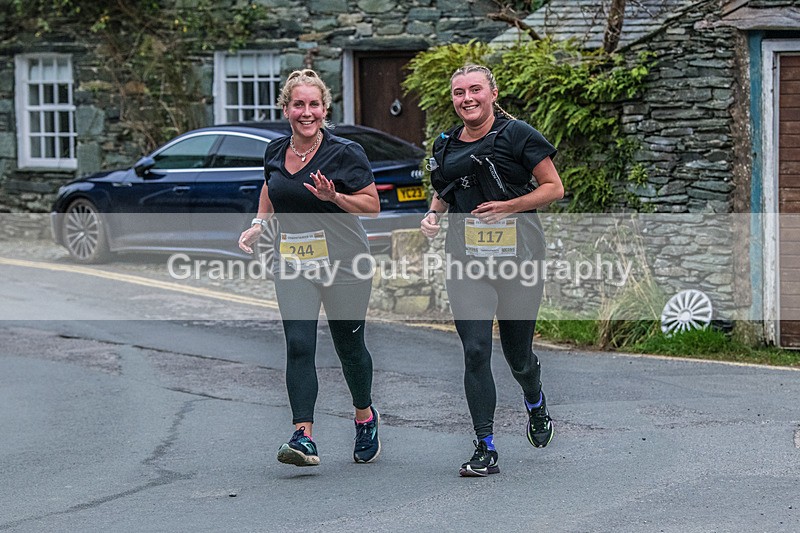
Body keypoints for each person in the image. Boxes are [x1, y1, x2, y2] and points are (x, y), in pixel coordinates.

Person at [420, 64, 565, 477]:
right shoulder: (446, 143)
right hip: (467, 261)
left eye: (475, 90)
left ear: (493, 93)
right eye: (459, 92)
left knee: (517, 356)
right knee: (476, 350)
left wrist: (508, 206)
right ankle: (485, 445)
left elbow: (553, 187)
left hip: (520, 258)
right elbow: (444, 190)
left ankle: (534, 400)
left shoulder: (517, 134)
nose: (467, 99)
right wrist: (432, 216)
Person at [239, 69, 381, 467]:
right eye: (298, 104)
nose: (306, 112)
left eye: (313, 104)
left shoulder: (345, 152)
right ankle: (303, 436)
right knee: (299, 343)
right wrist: (258, 224)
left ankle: (365, 417)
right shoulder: (274, 150)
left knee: (349, 346)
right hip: (294, 261)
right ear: (286, 109)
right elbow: (270, 186)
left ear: (325, 108)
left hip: (345, 261)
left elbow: (371, 205)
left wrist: (335, 197)